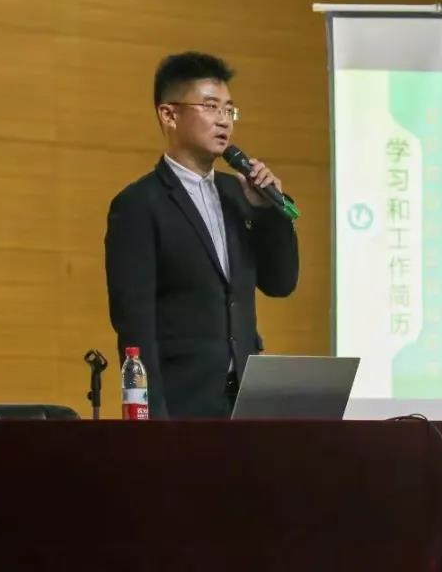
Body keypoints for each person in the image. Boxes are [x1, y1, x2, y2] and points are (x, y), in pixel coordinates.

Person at [105, 51, 299, 419]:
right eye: (210, 107)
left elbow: (281, 283)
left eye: (229, 110)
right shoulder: (138, 204)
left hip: (245, 403)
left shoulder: (239, 193)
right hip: (181, 404)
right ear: (169, 115)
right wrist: (150, 418)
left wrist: (268, 213)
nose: (223, 120)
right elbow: (135, 324)